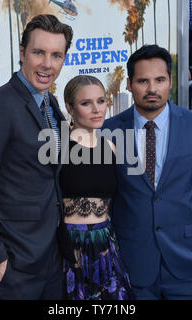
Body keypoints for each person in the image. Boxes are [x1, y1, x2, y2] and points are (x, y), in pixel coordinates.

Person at [103, 45, 192, 300]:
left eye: (160, 80)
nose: (152, 89)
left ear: (170, 82)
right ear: (129, 84)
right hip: (133, 266)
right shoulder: (109, 130)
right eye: (143, 81)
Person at [0, 14, 73, 300]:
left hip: (51, 255)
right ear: (22, 53)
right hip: (15, 262)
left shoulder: (50, 104)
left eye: (56, 55)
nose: (47, 64)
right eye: (39, 52)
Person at [58, 75, 132, 300]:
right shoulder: (58, 148)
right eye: (86, 103)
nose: (96, 109)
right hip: (70, 246)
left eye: (101, 101)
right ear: (70, 108)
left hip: (106, 244)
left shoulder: (111, 147)